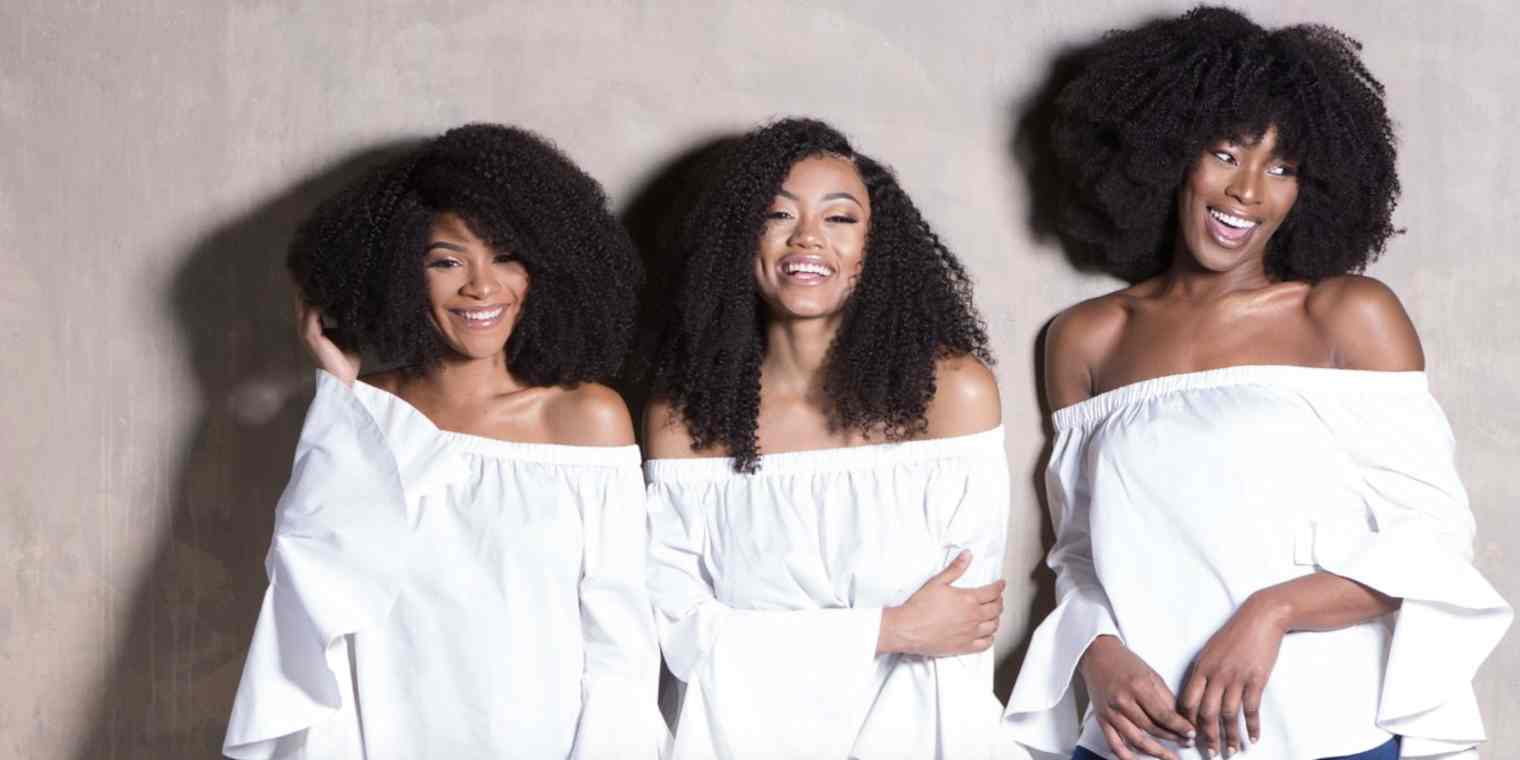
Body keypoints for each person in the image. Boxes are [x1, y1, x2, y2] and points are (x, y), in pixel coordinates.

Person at [1001, 8, 1512, 760]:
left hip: (1326, 730)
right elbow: (1079, 552)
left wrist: (1273, 612)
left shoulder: (1344, 316)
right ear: (1170, 154)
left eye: (1282, 167)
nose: (1247, 191)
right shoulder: (1088, 337)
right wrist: (1095, 653)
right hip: (1148, 740)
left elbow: (1431, 543)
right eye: (1225, 153)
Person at [223, 123, 667, 759]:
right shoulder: (367, 414)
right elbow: (309, 586)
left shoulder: (585, 419)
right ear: (403, 273)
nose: (481, 287)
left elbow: (620, 646)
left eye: (505, 255)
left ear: (542, 267)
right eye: (447, 260)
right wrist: (337, 383)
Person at [642, 117, 1024, 760]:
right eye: (778, 215)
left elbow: (961, 631)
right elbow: (683, 636)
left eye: (840, 219)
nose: (808, 238)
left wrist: (779, 640)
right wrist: (888, 630)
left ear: (877, 247)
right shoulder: (684, 421)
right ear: (742, 238)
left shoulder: (954, 396)